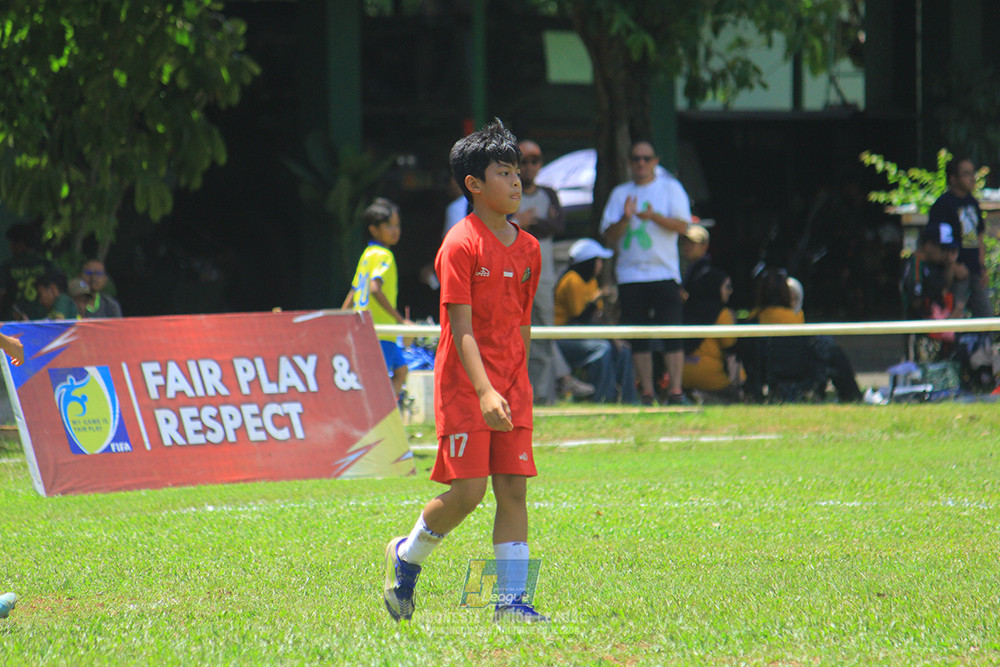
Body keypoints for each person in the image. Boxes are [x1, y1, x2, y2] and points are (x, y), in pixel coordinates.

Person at [382, 119, 548, 623]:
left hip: (511, 389)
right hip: (467, 389)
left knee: (513, 490)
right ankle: (405, 557)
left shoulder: (530, 249)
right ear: (474, 184)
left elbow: (521, 325)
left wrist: (518, 385)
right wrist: (485, 391)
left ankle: (511, 603)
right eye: (504, 172)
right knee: (469, 494)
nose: (516, 181)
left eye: (517, 171)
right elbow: (461, 328)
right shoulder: (460, 244)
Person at [600, 140, 693, 405]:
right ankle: (647, 394)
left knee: (672, 334)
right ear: (629, 162)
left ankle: (676, 392)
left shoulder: (670, 188)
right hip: (630, 276)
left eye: (646, 158)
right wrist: (626, 218)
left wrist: (653, 217)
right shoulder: (620, 193)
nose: (640, 163)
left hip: (665, 273)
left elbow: (684, 227)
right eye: (635, 158)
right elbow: (608, 236)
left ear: (655, 161)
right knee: (639, 337)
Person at [514, 140, 592, 404]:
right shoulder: (508, 192)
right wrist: (522, 222)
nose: (529, 166)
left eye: (534, 160)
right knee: (515, 334)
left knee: (544, 335)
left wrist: (528, 223)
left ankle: (545, 395)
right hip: (512, 277)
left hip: (542, 277)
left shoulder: (549, 193)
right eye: (524, 160)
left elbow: (556, 226)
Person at [747, 268, 862, 403]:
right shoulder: (795, 318)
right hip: (799, 370)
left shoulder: (753, 320)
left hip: (767, 372)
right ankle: (853, 397)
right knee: (831, 349)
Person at [341, 198, 413, 404]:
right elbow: (374, 288)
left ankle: (386, 410)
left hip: (367, 329)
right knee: (377, 383)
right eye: (389, 226)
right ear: (374, 229)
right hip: (381, 330)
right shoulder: (384, 255)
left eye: (397, 225)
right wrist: (400, 320)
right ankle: (380, 414)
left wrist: (341, 318)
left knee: (401, 370)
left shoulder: (367, 254)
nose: (395, 230)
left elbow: (354, 290)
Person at [553, 238, 637, 404]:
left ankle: (627, 399)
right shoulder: (572, 280)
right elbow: (579, 318)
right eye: (598, 260)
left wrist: (614, 338)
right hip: (564, 337)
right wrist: (599, 296)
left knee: (623, 350)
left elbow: (596, 316)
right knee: (602, 349)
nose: (600, 264)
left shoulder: (591, 280)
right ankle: (603, 399)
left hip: (583, 333)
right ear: (588, 261)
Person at [926, 157, 993, 318]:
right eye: (966, 174)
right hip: (953, 274)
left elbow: (979, 236)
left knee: (987, 316)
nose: (972, 178)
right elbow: (933, 243)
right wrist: (952, 266)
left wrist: (982, 267)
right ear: (953, 179)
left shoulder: (973, 203)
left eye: (973, 173)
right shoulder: (943, 205)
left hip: (974, 272)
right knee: (954, 317)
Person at [682, 267, 744, 403]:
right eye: (727, 287)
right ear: (715, 287)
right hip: (709, 377)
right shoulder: (722, 313)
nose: (730, 291)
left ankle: (694, 398)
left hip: (680, 374)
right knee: (735, 398)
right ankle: (704, 398)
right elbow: (730, 344)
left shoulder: (685, 309)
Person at [0, 222, 59, 320]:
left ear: (20, 244)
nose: (11, 247)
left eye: (12, 243)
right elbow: (58, 294)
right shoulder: (47, 265)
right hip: (43, 320)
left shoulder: (7, 266)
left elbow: (1, 294)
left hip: (12, 322)